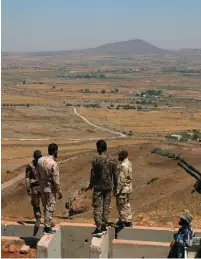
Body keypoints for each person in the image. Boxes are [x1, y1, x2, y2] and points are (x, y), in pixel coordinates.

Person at [86, 140, 117, 237]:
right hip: (108, 186)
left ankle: (98, 228)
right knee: (106, 206)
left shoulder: (96, 160)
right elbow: (115, 174)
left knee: (97, 207)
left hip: (98, 187)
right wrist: (116, 186)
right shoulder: (112, 159)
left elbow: (93, 174)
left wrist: (91, 185)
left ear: (99, 148)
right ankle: (104, 225)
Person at [37, 143, 63, 234]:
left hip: (42, 187)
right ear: (55, 151)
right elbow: (56, 179)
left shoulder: (40, 160)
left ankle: (46, 223)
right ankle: (47, 228)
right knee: (50, 207)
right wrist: (59, 191)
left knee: (45, 206)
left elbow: (38, 174)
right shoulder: (53, 164)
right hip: (50, 188)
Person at [115, 149, 133, 228]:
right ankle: (128, 221)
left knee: (121, 205)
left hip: (123, 189)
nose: (118, 157)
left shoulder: (123, 165)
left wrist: (117, 191)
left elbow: (121, 180)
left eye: (119, 155)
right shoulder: (129, 163)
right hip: (128, 188)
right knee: (127, 204)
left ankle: (122, 221)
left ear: (123, 156)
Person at [25, 150, 42, 226]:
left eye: (40, 157)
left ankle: (47, 220)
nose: (39, 159)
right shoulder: (30, 166)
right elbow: (27, 177)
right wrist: (28, 188)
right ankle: (38, 219)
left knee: (47, 204)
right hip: (34, 187)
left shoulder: (42, 164)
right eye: (38, 157)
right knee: (35, 204)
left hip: (43, 186)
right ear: (34, 157)